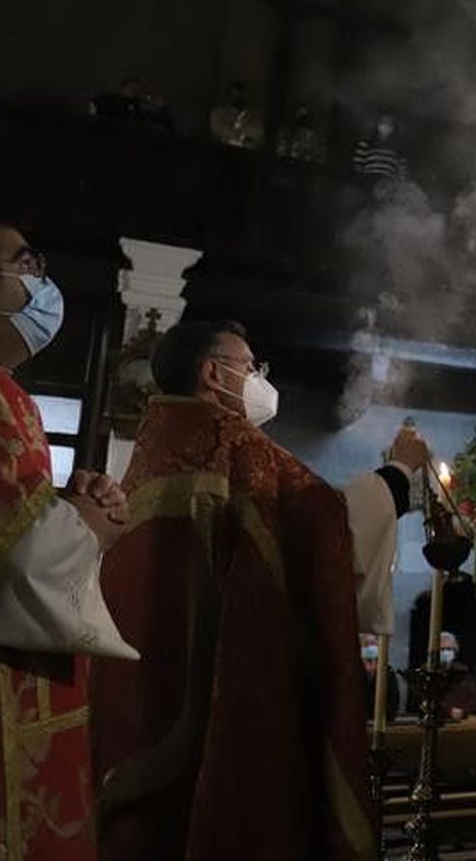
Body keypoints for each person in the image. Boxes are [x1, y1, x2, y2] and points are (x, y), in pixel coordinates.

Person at [90, 320, 434, 861]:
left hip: (143, 702)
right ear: (213, 373)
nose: (259, 380)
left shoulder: (154, 453)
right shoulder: (231, 447)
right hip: (227, 700)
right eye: (250, 368)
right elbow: (328, 528)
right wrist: (398, 471)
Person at [0, 209, 133, 860]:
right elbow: (15, 569)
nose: (43, 285)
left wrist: (67, 508)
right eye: (26, 265)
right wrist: (89, 528)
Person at [207, 81, 264, 151]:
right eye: (236, 95)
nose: (239, 98)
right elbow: (218, 130)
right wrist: (243, 135)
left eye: (242, 96)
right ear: (229, 96)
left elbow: (257, 133)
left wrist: (231, 127)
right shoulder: (218, 113)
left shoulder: (254, 116)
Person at [351, 113, 406, 182]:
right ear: (377, 124)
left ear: (393, 127)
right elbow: (357, 165)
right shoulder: (365, 143)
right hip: (368, 181)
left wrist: (396, 183)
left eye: (390, 124)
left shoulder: (398, 148)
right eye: (383, 122)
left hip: (387, 183)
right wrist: (363, 181)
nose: (386, 126)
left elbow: (402, 170)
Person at [361, 633, 402, 722]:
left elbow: (393, 702)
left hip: (381, 721)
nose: (370, 647)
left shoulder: (388, 671)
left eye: (373, 644)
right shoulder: (354, 670)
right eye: (366, 644)